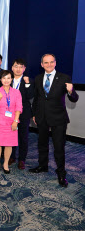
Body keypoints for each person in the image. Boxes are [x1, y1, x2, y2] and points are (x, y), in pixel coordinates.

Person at [30, 54, 79, 187]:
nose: (49, 65)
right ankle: (42, 166)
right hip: (42, 117)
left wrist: (71, 91)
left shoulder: (64, 78)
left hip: (58, 118)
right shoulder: (39, 78)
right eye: (46, 63)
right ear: (42, 64)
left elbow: (74, 98)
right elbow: (38, 98)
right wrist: (34, 113)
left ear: (55, 63)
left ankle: (61, 173)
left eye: (51, 62)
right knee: (42, 144)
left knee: (58, 147)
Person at [0, 70, 22, 174]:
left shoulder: (16, 92)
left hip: (12, 122)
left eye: (8, 78)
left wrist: (15, 121)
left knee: (9, 144)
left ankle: (5, 163)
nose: (6, 80)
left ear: (11, 79)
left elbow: (18, 107)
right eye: (4, 78)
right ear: (1, 80)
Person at [9, 59, 34, 170]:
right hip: (9, 112)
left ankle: (22, 159)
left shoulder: (28, 81)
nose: (18, 69)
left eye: (21, 67)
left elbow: (30, 96)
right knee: (11, 134)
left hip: (23, 113)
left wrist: (28, 84)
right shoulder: (8, 80)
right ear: (12, 68)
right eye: (16, 66)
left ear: (24, 68)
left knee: (23, 136)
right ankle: (12, 156)